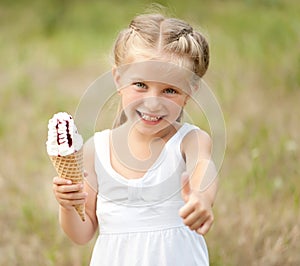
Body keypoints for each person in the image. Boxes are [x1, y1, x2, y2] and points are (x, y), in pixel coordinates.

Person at [53, 13, 218, 266]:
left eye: (170, 90)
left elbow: (202, 168)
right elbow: (82, 233)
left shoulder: (190, 141)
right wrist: (68, 206)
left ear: (190, 91)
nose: (153, 102)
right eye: (140, 84)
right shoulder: (96, 150)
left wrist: (201, 199)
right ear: (119, 79)